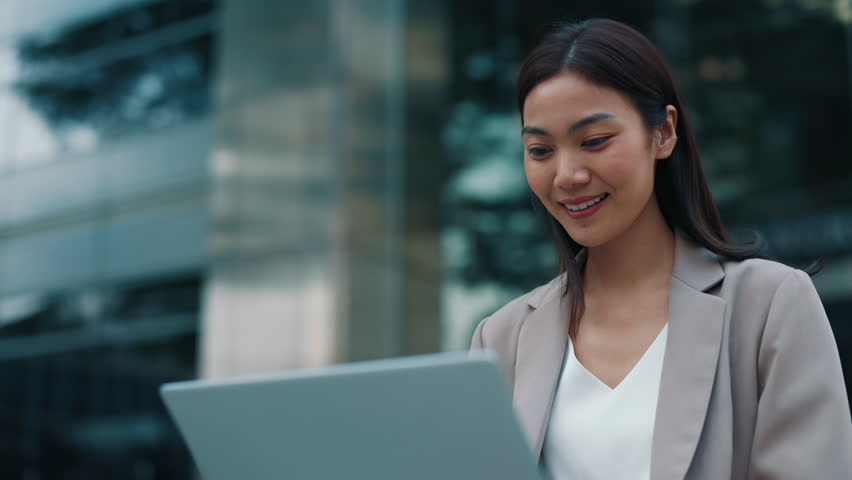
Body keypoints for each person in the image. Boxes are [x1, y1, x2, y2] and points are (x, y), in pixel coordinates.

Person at [470, 18, 852, 479]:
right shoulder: (501, 340)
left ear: (664, 132)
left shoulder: (769, 306)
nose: (567, 175)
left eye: (594, 141)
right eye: (540, 150)